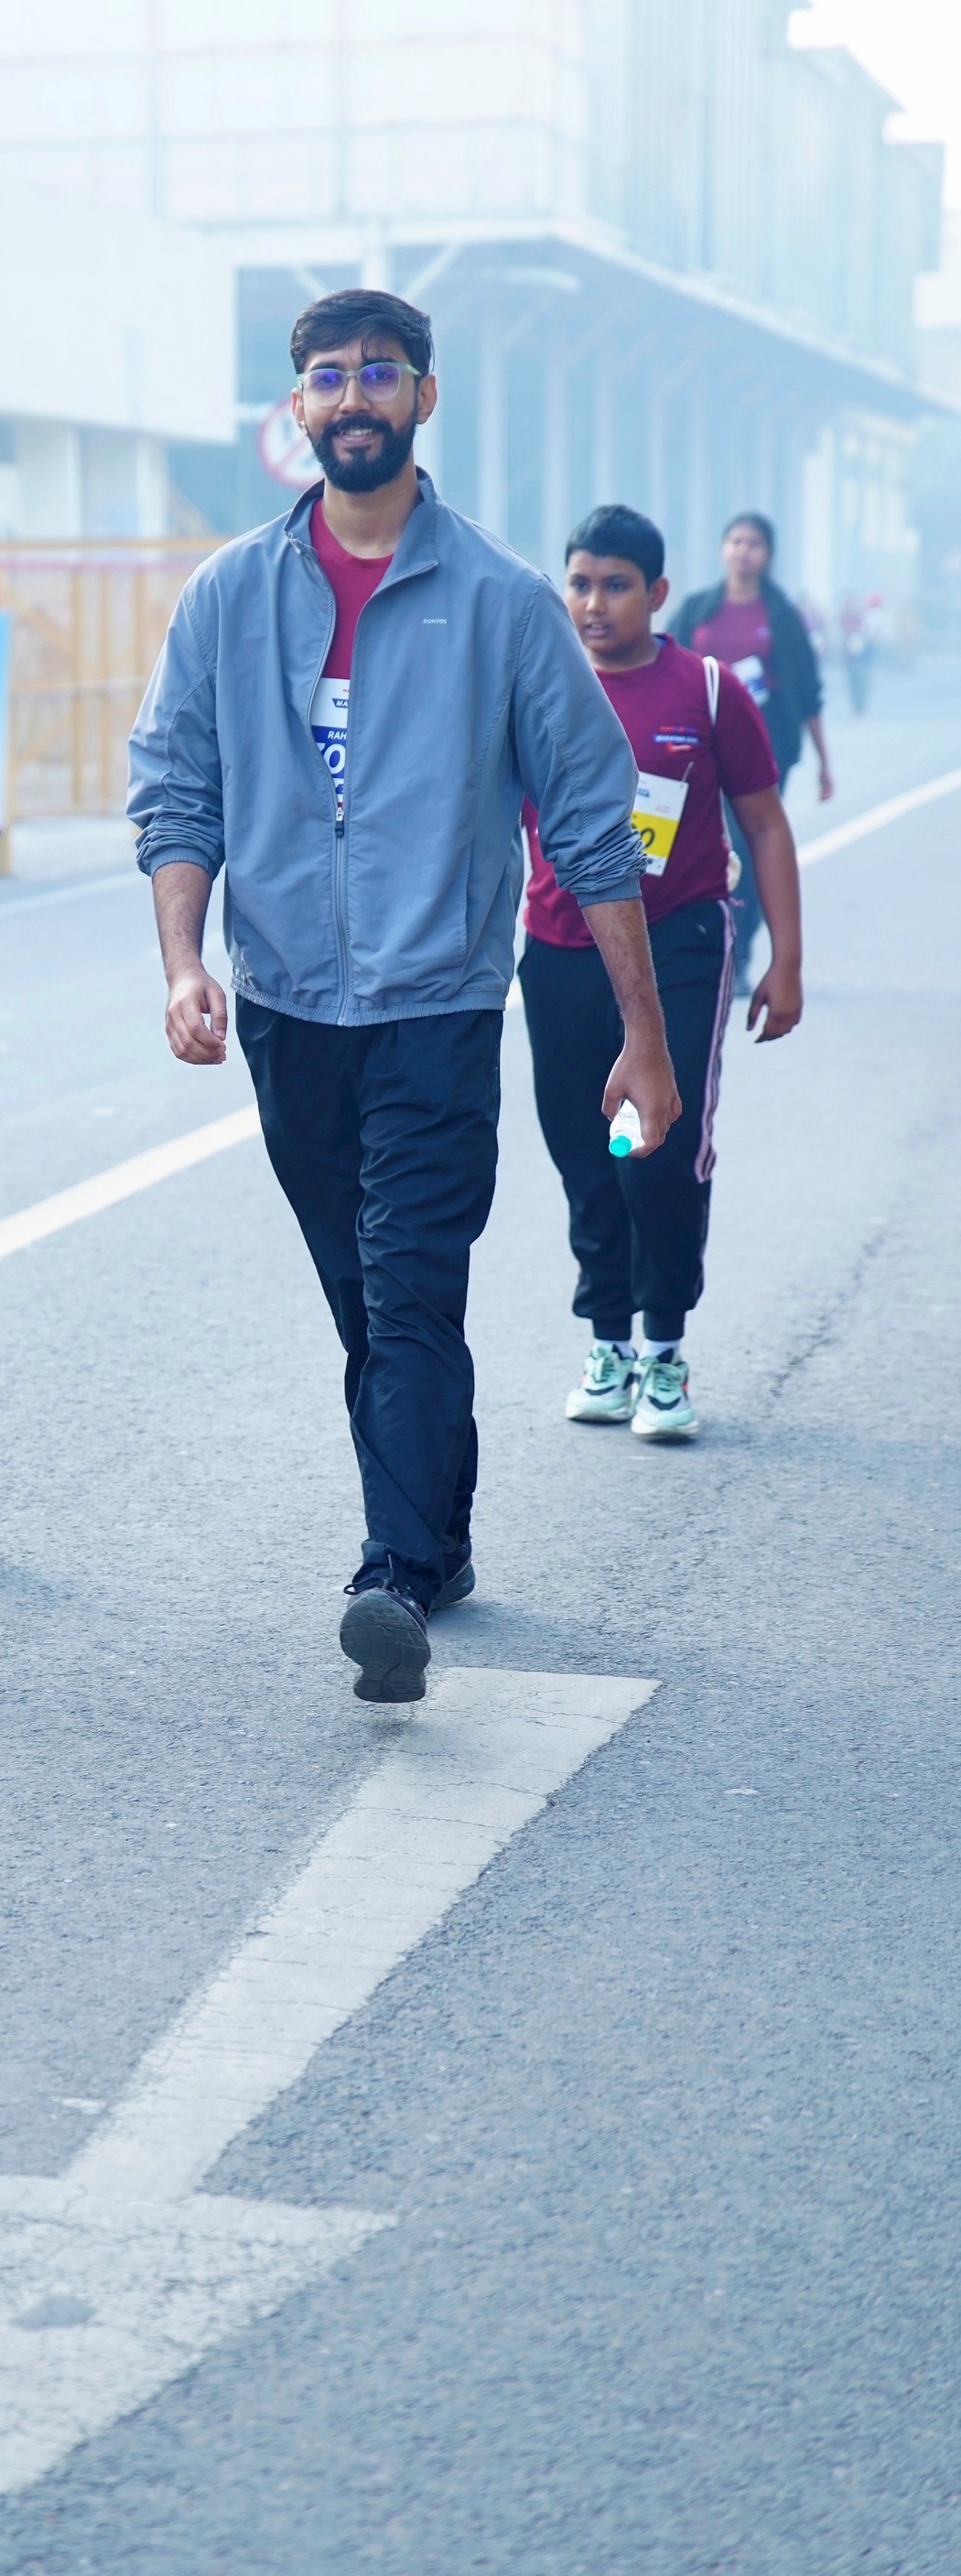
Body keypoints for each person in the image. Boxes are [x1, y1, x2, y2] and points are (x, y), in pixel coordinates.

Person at [129, 287, 679, 1706]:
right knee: (365, 1301)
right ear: (297, 409)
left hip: (436, 1011)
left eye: (381, 373)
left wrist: (644, 1035)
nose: (354, 396)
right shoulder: (229, 596)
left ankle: (390, 1574)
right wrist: (185, 962)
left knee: (412, 1289)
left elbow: (594, 823)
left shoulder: (502, 601)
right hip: (288, 1012)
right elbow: (177, 787)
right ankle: (441, 1532)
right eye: (328, 376)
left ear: (424, 398)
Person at [520, 504, 804, 1442]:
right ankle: (607, 1343)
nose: (593, 604)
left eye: (615, 586)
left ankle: (666, 1350)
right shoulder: (535, 685)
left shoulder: (706, 691)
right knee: (584, 1151)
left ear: (657, 593)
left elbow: (764, 825)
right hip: (561, 951)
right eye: (579, 584)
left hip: (679, 942)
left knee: (659, 1145)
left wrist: (786, 961)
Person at [669, 512, 830, 987]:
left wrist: (824, 762)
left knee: (749, 845)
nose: (743, 551)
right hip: (698, 746)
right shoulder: (698, 608)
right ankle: (689, 945)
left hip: (764, 749)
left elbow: (808, 692)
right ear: (723, 548)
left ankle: (738, 952)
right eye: (735, 541)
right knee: (692, 845)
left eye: (753, 543)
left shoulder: (781, 616)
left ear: (768, 554)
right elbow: (662, 661)